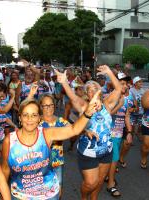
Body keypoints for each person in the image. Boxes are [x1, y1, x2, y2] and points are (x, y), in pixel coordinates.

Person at [1, 89, 101, 199]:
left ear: (39, 118)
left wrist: (87, 113)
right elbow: (5, 170)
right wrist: (3, 196)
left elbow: (73, 129)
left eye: (34, 115)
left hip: (48, 193)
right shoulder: (9, 140)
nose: (30, 119)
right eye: (25, 115)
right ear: (20, 118)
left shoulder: (47, 133)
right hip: (21, 195)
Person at [56, 65, 122, 200]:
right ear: (87, 94)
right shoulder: (84, 106)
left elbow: (119, 88)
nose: (93, 93)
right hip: (88, 152)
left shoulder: (108, 104)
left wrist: (109, 72)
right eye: (89, 91)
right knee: (90, 183)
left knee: (99, 181)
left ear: (101, 91)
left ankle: (94, 198)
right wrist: (64, 82)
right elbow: (73, 98)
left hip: (106, 151)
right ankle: (84, 197)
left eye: (95, 89)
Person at [39, 94, 71, 198]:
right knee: (41, 190)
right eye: (46, 105)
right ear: (40, 107)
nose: (49, 108)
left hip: (57, 161)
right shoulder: (36, 122)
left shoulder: (60, 121)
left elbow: (73, 129)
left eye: (51, 105)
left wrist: (85, 130)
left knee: (58, 186)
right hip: (40, 163)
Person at [106, 75, 132, 197]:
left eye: (125, 83)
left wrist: (130, 132)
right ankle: (111, 184)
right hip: (108, 133)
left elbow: (126, 115)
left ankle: (107, 176)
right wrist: (118, 105)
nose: (124, 85)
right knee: (114, 159)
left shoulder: (125, 99)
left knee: (111, 159)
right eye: (121, 83)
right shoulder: (109, 97)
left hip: (118, 133)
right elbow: (106, 115)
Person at [129, 76, 145, 142]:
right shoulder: (131, 90)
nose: (141, 83)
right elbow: (130, 100)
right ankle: (131, 136)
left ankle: (138, 133)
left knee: (141, 125)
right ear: (135, 83)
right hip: (133, 111)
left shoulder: (143, 91)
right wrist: (134, 107)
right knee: (132, 125)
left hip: (141, 111)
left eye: (141, 82)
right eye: (139, 82)